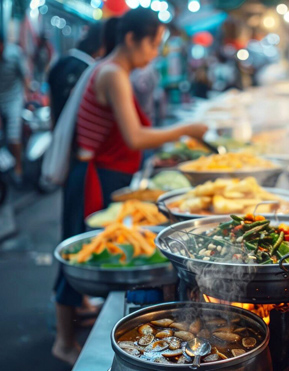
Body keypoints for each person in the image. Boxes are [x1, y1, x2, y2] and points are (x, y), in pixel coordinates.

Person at [52, 8, 207, 365]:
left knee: (96, 246)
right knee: (81, 252)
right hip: (94, 177)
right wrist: (186, 130)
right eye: (154, 44)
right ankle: (62, 340)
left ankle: (81, 313)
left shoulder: (114, 70)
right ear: (133, 39)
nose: (156, 53)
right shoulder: (113, 74)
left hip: (108, 174)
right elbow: (135, 136)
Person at [47, 22, 104, 124]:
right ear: (101, 46)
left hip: (57, 131)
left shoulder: (60, 62)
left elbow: (51, 103)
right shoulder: (90, 72)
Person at [0, 33, 30, 184]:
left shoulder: (14, 54)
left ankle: (18, 167)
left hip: (14, 99)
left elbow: (25, 76)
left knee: (13, 136)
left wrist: (28, 97)